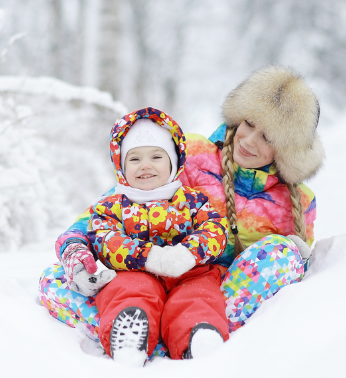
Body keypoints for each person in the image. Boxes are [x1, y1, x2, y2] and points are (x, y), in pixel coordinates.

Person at [39, 65, 323, 354]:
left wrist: (292, 255)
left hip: (212, 289)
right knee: (55, 281)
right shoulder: (193, 153)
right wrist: (76, 247)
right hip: (143, 273)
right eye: (249, 123)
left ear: (287, 148)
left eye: (268, 137)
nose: (249, 140)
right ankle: (138, 329)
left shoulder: (297, 201)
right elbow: (117, 206)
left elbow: (285, 278)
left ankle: (197, 332)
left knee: (281, 254)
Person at [60, 108, 230, 365]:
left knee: (197, 296)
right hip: (135, 272)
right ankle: (129, 337)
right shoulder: (112, 206)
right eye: (135, 159)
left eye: (156, 156)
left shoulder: (193, 201)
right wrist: (147, 256)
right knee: (127, 291)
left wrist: (188, 252)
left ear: (174, 162)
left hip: (189, 272)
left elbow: (215, 230)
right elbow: (105, 239)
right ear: (121, 166)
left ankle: (198, 335)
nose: (145, 165)